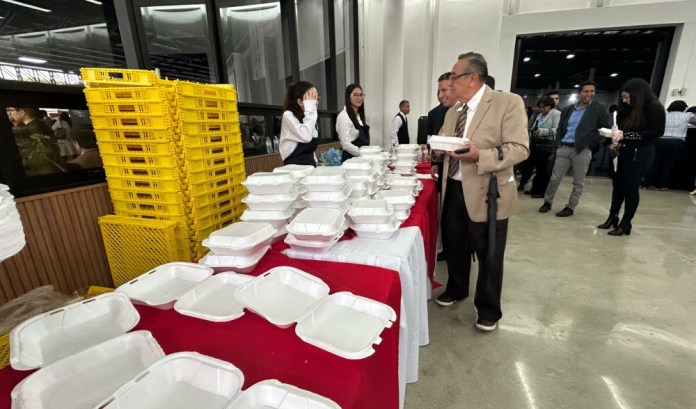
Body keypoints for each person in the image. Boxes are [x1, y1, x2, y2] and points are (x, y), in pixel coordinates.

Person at [434, 52, 529, 332]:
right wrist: (438, 148)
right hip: (453, 187)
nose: (450, 82)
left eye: (454, 76)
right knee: (454, 244)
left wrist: (479, 155)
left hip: (489, 192)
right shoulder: (455, 111)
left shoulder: (506, 103)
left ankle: (488, 308)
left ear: (472, 78)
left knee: (488, 252)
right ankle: (457, 287)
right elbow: (445, 138)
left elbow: (519, 148)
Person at [598, 78, 665, 236]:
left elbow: (657, 132)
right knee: (618, 186)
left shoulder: (654, 108)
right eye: (623, 97)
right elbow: (619, 128)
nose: (624, 100)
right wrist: (612, 137)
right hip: (622, 151)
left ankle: (626, 222)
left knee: (630, 187)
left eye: (627, 97)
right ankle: (612, 216)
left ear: (638, 95)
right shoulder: (626, 109)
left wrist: (626, 135)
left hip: (640, 153)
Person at [539, 81, 610, 217]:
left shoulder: (598, 109)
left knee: (578, 182)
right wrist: (559, 143)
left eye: (592, 91)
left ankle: (570, 207)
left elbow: (603, 130)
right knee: (554, 179)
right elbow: (560, 129)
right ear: (580, 93)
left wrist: (590, 143)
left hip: (582, 150)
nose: (589, 94)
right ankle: (547, 202)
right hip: (564, 147)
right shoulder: (568, 109)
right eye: (586, 91)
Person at [641, 100, 694, 190]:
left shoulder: (664, 115)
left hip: (659, 140)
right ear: (684, 108)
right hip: (676, 141)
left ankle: (647, 184)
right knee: (668, 164)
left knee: (654, 162)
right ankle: (661, 185)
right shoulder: (687, 116)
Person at [518, 97, 560, 197]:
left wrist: (541, 131)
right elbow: (534, 126)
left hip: (547, 144)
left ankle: (541, 192)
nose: (541, 109)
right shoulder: (540, 115)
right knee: (536, 169)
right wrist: (533, 130)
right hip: (537, 143)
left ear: (549, 106)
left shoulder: (556, 114)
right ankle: (534, 189)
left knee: (543, 170)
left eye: (543, 107)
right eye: (540, 107)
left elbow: (557, 130)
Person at [6, 107, 62, 175]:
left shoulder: (31, 130)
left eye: (10, 110)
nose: (8, 113)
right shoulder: (38, 125)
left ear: (22, 112)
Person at [279, 81, 320, 166]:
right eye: (313, 98)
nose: (316, 102)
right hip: (295, 168)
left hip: (310, 165)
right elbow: (306, 136)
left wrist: (316, 162)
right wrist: (310, 110)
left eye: (317, 98)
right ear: (300, 102)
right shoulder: (288, 115)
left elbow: (311, 146)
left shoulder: (308, 116)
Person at [337, 84, 370, 162]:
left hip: (361, 159)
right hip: (350, 160)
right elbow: (345, 144)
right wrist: (364, 153)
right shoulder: (344, 116)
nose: (359, 98)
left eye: (361, 95)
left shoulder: (359, 116)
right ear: (348, 96)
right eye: (355, 95)